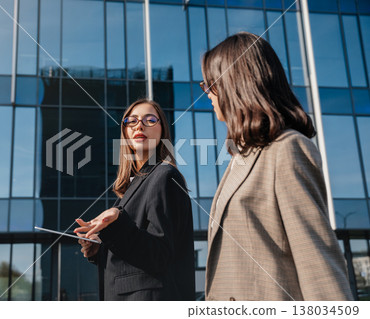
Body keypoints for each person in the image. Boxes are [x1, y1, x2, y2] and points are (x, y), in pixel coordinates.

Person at [201, 32, 353, 301]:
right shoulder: (241, 157)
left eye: (210, 85)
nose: (208, 95)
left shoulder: (287, 149)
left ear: (237, 85)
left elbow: (316, 263)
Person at [74, 99, 195, 301]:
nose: (139, 125)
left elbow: (160, 255)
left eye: (150, 120)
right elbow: (136, 253)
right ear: (125, 133)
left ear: (162, 131)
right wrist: (100, 247)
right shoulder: (134, 185)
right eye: (132, 121)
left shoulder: (164, 175)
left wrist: (117, 222)